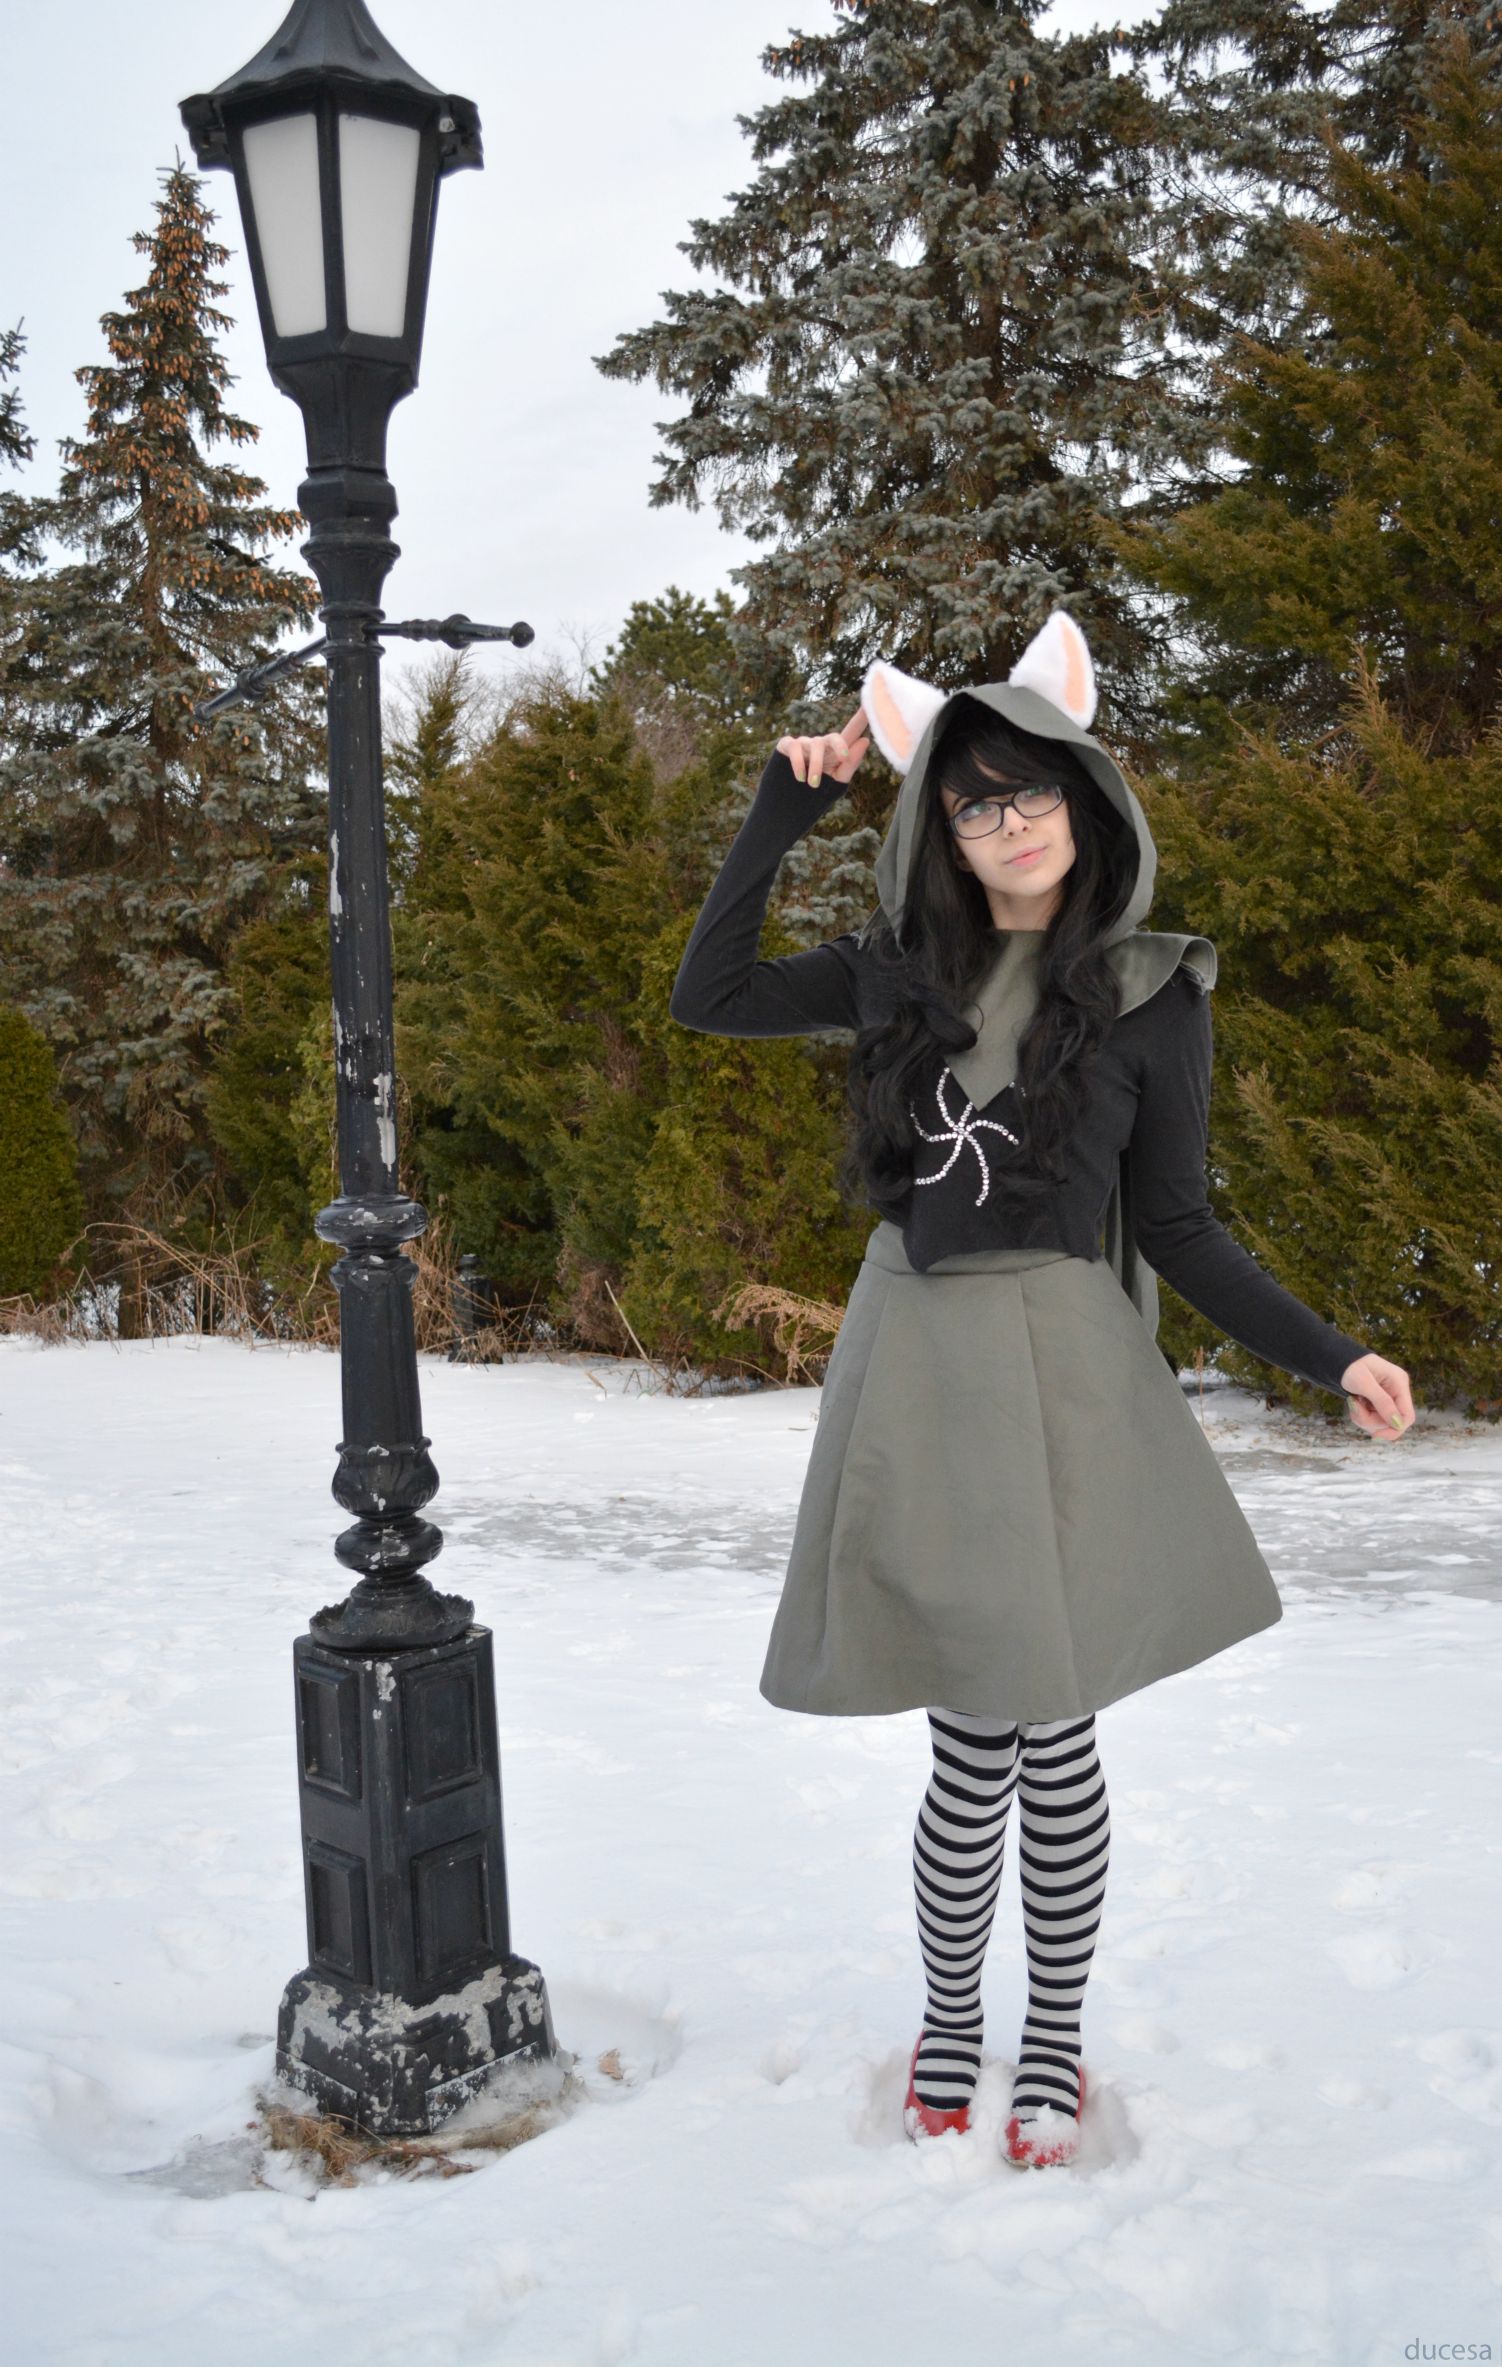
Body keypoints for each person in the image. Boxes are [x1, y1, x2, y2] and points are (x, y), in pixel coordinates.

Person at [668, 610, 1413, 2171]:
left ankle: (1052, 2036)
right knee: (967, 1743)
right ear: (938, 832)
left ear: (1084, 798)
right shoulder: (893, 974)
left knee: (1052, 1739)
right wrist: (782, 810)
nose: (1006, 825)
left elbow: (1181, 1225)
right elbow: (710, 994)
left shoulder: (1148, 993)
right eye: (970, 805)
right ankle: (952, 2020)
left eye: (1030, 793)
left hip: (1066, 1378)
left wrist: (1333, 1353)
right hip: (919, 1370)